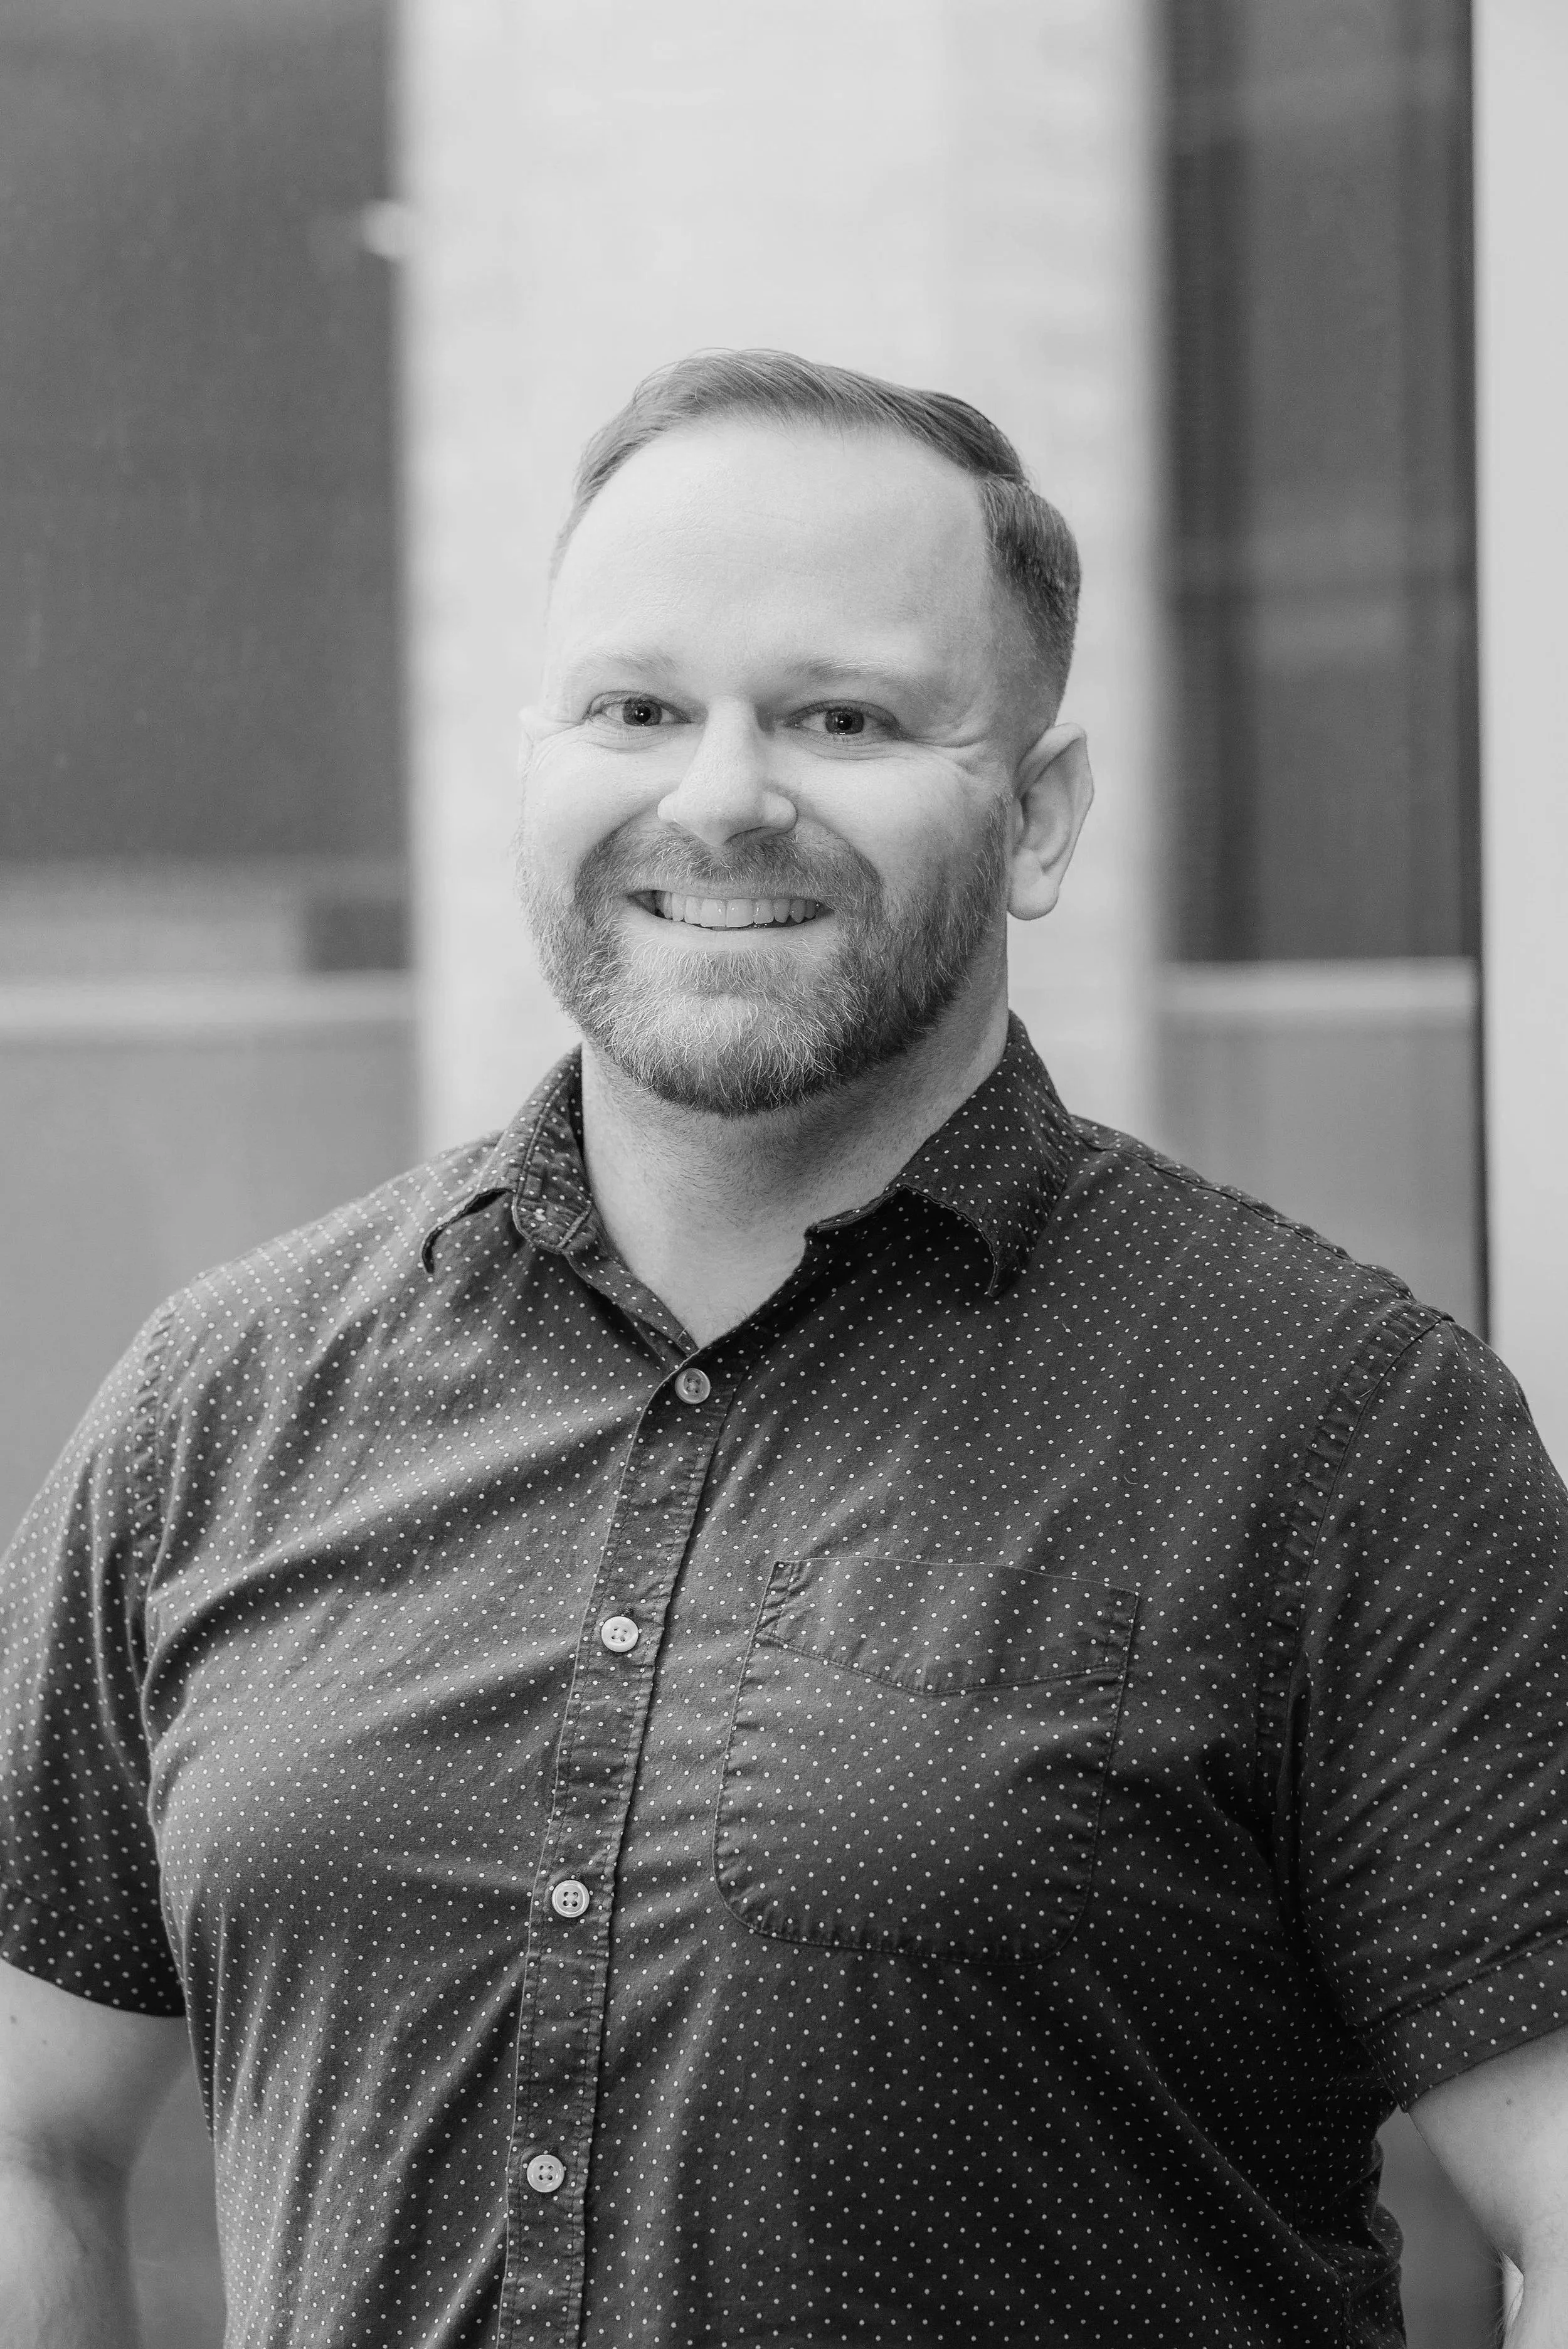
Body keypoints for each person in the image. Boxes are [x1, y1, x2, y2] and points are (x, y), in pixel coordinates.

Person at [3, 349, 1567, 2349]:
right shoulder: (219, 1404)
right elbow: (26, 2135)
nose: (720, 795)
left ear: (1037, 811)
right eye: (637, 707)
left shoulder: (1339, 1431)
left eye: (840, 715)